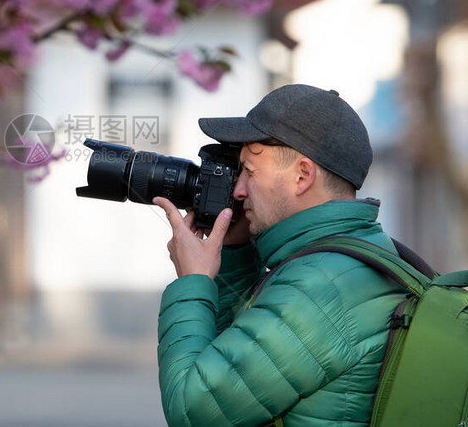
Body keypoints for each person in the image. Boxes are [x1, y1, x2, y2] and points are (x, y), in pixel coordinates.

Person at [152, 84, 406, 427]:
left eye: (249, 172)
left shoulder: (318, 289)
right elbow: (230, 358)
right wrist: (237, 251)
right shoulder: (350, 259)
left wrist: (193, 282)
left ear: (302, 176)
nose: (238, 190)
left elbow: (193, 409)